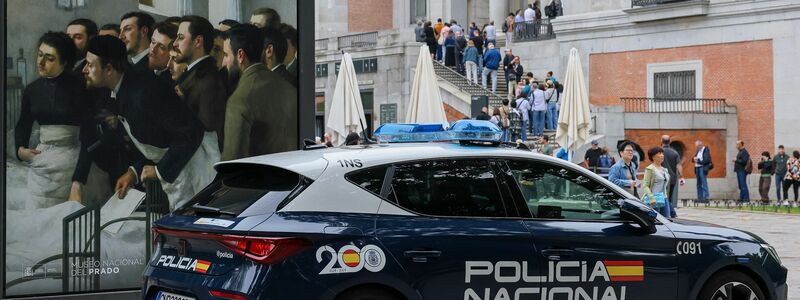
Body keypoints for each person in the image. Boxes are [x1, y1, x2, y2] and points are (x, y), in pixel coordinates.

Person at [83, 35, 214, 211]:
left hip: (195, 168)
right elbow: (157, 139)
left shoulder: (143, 92)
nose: (84, 70)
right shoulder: (123, 91)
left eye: (90, 65)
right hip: (178, 170)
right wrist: (134, 172)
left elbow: (191, 131)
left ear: (109, 69)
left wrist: (159, 171)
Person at [15, 32, 94, 208]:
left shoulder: (80, 87)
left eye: (49, 58)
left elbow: (89, 135)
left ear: (64, 63)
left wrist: (78, 181)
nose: (41, 62)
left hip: (72, 160)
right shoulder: (32, 90)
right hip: (42, 159)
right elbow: (23, 124)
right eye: (40, 55)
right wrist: (20, 150)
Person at [221, 24, 298, 160]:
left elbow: (232, 163)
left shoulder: (240, 99)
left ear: (240, 55)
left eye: (226, 55)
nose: (223, 62)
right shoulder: (288, 87)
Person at [174, 16, 228, 151]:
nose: (175, 43)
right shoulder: (193, 74)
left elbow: (208, 139)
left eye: (180, 37)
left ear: (198, 41)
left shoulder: (208, 81)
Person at [642, 147, 671, 218]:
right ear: (653, 157)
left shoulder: (664, 170)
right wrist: (651, 198)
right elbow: (645, 185)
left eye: (662, 153)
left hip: (664, 198)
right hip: (654, 199)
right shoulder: (650, 169)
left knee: (667, 219)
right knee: (655, 220)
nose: (662, 155)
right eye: (659, 153)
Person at [661, 135, 683, 217]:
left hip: (662, 178)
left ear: (661, 141)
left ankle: (671, 213)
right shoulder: (675, 152)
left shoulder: (659, 152)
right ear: (669, 141)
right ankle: (670, 213)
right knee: (669, 197)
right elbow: (679, 165)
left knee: (663, 196)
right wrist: (681, 176)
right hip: (672, 179)